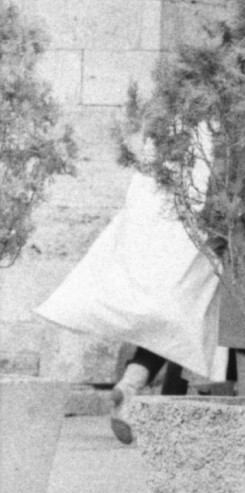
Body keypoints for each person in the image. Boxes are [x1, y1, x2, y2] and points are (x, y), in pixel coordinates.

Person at [37, 162, 221, 444]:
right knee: (192, 310)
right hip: (200, 199)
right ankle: (163, 411)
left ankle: (134, 384)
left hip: (160, 207)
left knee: (179, 309)